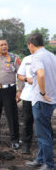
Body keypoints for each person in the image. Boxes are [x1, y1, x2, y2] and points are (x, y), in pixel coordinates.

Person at [25, 33, 56, 170]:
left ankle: (49, 165)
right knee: (43, 131)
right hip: (51, 99)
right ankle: (40, 159)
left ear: (31, 44)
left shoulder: (37, 57)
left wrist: (43, 93)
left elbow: (41, 74)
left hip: (41, 100)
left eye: (28, 46)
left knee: (43, 134)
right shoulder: (52, 56)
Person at [17, 54, 34, 154]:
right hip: (28, 96)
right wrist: (26, 79)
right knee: (27, 121)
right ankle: (26, 146)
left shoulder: (50, 58)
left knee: (43, 122)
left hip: (43, 96)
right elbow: (20, 75)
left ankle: (45, 146)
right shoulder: (27, 59)